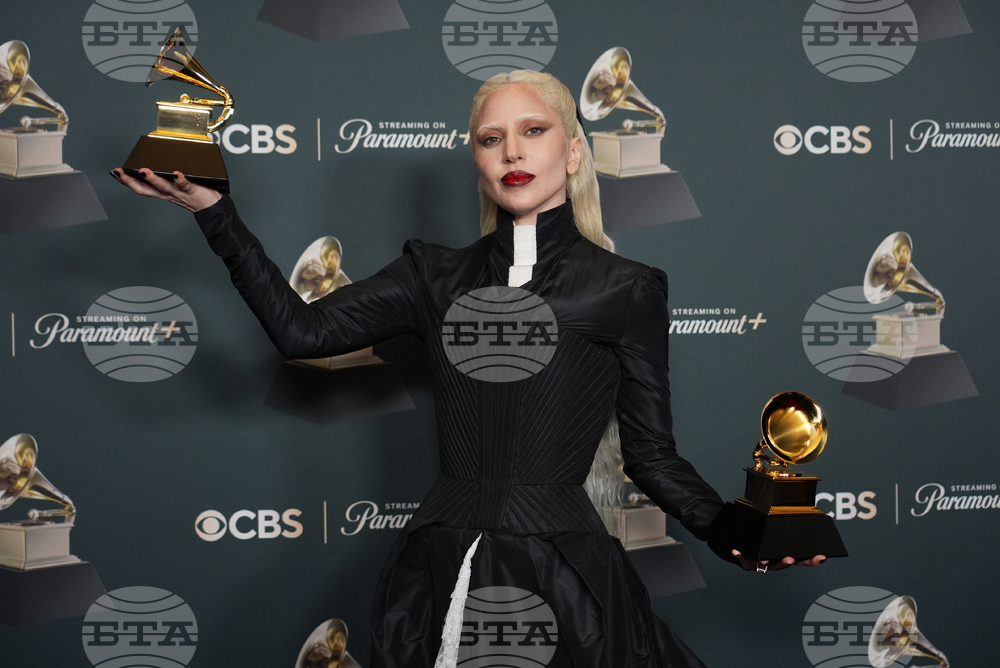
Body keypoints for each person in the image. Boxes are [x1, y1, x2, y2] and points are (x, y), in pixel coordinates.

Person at [113, 70, 823, 668]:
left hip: (567, 578)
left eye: (534, 131)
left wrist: (734, 530)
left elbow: (652, 456)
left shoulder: (627, 287)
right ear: (477, 161)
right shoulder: (433, 273)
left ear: (574, 153)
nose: (512, 150)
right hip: (442, 569)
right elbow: (304, 333)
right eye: (491, 138)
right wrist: (216, 213)